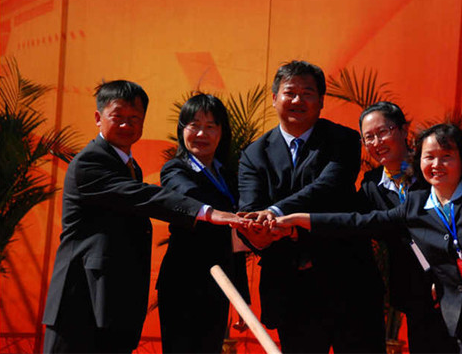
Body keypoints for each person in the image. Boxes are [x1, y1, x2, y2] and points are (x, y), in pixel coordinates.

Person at [268, 123, 462, 353]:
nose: (437, 164)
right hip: (449, 324)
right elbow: (358, 222)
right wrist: (299, 220)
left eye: (446, 156)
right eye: (428, 157)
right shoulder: (415, 204)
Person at [42, 80, 241, 354]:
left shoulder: (129, 165)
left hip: (114, 302)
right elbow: (142, 196)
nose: (127, 125)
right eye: (118, 117)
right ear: (99, 117)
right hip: (82, 301)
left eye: (135, 118)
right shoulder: (90, 162)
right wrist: (206, 211)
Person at [237, 60, 385, 353]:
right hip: (292, 293)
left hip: (349, 283)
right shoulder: (253, 154)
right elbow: (251, 208)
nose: (297, 100)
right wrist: (259, 230)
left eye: (307, 93)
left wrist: (277, 214)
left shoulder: (343, 140)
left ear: (321, 101)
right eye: (289, 93)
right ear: (274, 98)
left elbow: (329, 189)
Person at [358, 102, 456, 352]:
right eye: (369, 137)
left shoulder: (432, 170)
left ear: (403, 130)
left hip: (456, 284)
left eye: (383, 132)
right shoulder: (371, 186)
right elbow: (353, 224)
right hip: (414, 293)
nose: (377, 142)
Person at [156, 94, 249, 353]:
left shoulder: (230, 177)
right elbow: (190, 196)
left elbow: (237, 239)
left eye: (210, 126)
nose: (201, 134)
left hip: (220, 286)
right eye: (194, 125)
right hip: (183, 283)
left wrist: (241, 295)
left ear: (222, 132)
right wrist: (230, 214)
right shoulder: (175, 170)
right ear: (182, 129)